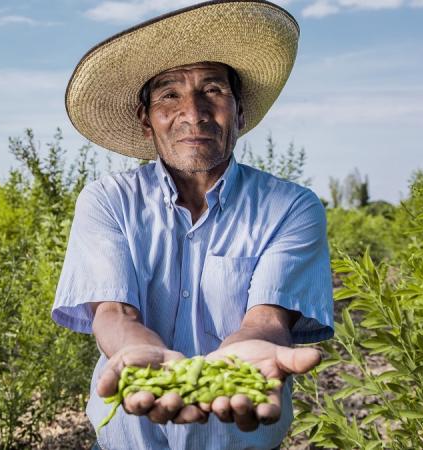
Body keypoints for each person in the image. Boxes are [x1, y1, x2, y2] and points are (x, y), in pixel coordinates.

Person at [52, 1, 333, 449]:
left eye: (213, 91)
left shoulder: (291, 207)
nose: (194, 112)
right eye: (169, 95)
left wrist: (248, 351)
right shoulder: (108, 201)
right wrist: (132, 350)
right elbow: (114, 312)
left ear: (239, 112)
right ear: (146, 120)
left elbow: (267, 318)